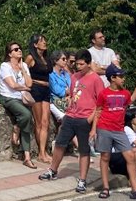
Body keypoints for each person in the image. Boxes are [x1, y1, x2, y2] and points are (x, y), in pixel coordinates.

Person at [40, 52, 106, 193]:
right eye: (77, 64)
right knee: (59, 144)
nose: (79, 67)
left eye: (82, 64)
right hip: (71, 116)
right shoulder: (74, 77)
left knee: (83, 150)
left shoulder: (96, 79)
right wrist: (70, 103)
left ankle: (82, 179)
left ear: (89, 64)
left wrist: (91, 121)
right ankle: (53, 170)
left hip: (85, 118)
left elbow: (100, 104)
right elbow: (71, 93)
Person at [94, 64, 136, 201]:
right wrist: (93, 130)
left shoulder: (126, 94)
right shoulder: (103, 93)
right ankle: (105, 188)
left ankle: (135, 189)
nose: (123, 79)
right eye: (121, 76)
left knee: (130, 156)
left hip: (119, 130)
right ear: (112, 78)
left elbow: (125, 108)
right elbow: (98, 111)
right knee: (105, 157)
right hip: (104, 128)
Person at [0, 42, 37, 169]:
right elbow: (12, 85)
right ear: (10, 54)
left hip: (22, 98)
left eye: (20, 48)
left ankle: (27, 157)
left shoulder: (24, 65)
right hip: (9, 97)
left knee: (28, 121)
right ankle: (16, 128)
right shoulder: (5, 66)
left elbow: (30, 83)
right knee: (26, 115)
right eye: (15, 49)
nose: (19, 50)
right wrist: (24, 87)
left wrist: (23, 70)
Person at [25, 34, 53, 164]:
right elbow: (23, 73)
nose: (44, 43)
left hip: (46, 91)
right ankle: (41, 153)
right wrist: (37, 82)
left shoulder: (46, 58)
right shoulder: (31, 57)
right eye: (41, 41)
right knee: (39, 122)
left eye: (44, 40)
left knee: (46, 121)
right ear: (35, 44)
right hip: (36, 89)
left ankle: (44, 151)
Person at [48, 51, 70, 125]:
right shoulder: (50, 74)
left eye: (66, 59)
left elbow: (71, 87)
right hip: (55, 101)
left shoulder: (65, 74)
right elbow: (56, 90)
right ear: (55, 60)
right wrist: (66, 91)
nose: (66, 61)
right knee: (66, 121)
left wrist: (68, 92)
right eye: (63, 59)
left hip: (68, 99)